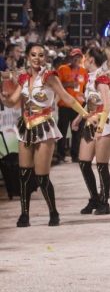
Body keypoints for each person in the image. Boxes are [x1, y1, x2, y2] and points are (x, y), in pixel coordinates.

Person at [0, 43, 89, 227]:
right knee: (24, 174)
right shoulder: (24, 78)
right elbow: (12, 102)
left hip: (44, 126)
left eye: (40, 55)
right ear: (27, 56)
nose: (37, 58)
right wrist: (3, 96)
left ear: (45, 58)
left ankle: (53, 212)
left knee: (42, 176)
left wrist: (86, 115)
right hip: (26, 126)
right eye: (33, 54)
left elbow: (67, 97)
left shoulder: (49, 77)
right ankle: (24, 214)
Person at [73, 47, 110, 216]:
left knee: (101, 165)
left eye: (85, 57)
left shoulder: (102, 78)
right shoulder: (90, 77)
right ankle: (94, 198)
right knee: (84, 163)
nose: (82, 60)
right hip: (91, 121)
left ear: (91, 59)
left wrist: (99, 129)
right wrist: (79, 118)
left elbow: (106, 106)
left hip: (105, 123)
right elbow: (90, 101)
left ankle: (104, 202)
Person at [55, 48, 88, 163]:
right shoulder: (62, 69)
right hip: (64, 105)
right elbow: (56, 84)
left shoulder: (84, 72)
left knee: (77, 132)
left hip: (78, 106)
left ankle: (75, 155)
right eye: (74, 56)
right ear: (70, 57)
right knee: (62, 131)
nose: (76, 59)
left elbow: (85, 88)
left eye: (79, 57)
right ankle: (60, 155)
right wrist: (69, 84)